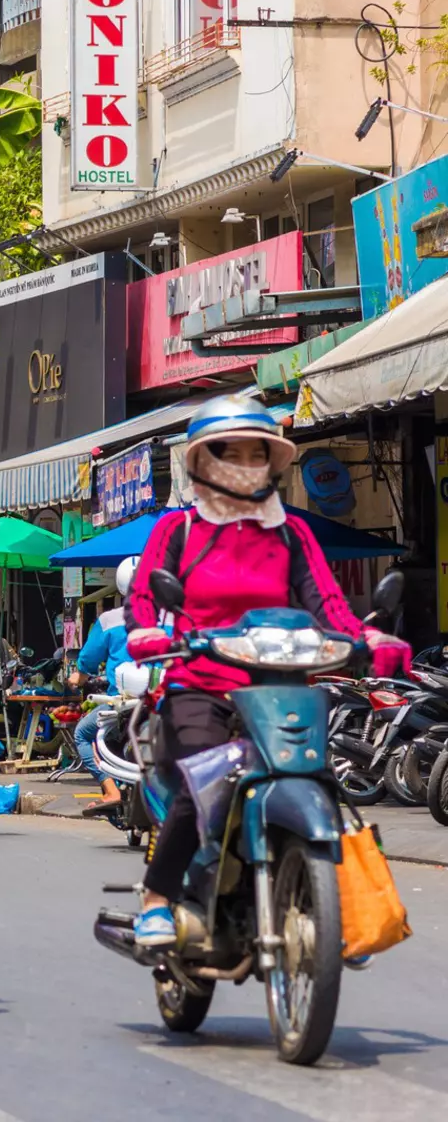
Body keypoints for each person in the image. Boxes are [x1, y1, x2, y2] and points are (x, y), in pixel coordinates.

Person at [123, 398, 408, 948]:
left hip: (278, 686)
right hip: (198, 683)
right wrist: (147, 632)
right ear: (203, 461)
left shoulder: (291, 534)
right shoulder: (176, 529)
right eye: (233, 452)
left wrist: (368, 639)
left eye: (259, 453)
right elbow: (142, 598)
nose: (248, 463)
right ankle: (158, 898)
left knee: (319, 777)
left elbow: (328, 604)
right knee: (203, 780)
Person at [70, 557, 140, 815]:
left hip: (119, 701)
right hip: (159, 698)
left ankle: (110, 789)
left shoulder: (110, 620)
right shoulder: (166, 616)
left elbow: (88, 660)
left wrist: (79, 676)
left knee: (82, 734)